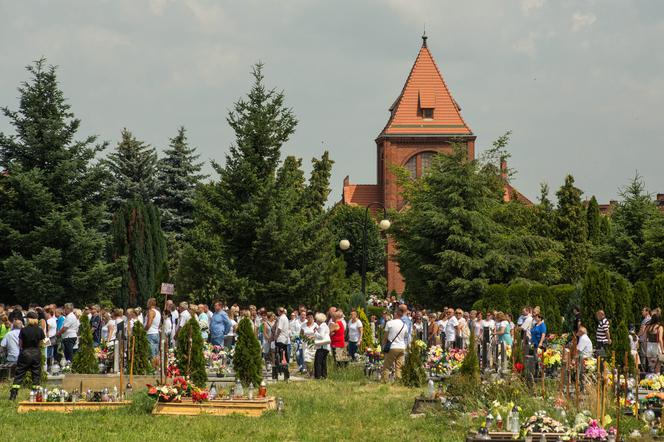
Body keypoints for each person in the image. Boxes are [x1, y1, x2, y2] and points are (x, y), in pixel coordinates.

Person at [9, 312, 45, 400]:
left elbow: (20, 344)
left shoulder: (23, 330)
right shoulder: (40, 330)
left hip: (25, 353)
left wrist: (24, 349)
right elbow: (41, 344)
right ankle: (35, 395)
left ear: (30, 319)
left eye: (27, 318)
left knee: (19, 374)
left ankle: (13, 394)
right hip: (36, 353)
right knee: (36, 374)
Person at [382, 309, 407, 382]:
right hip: (402, 347)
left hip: (392, 347)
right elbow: (405, 336)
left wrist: (383, 346)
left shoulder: (389, 323)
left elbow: (385, 337)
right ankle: (398, 380)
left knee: (387, 366)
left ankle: (384, 380)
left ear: (395, 314)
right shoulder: (404, 325)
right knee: (399, 367)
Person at [273, 307, 290, 380]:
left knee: (278, 356)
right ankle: (285, 372)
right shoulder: (286, 318)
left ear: (279, 312)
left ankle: (279, 371)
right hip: (285, 339)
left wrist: (276, 336)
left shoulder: (281, 318)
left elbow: (279, 329)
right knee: (284, 356)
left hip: (280, 338)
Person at [313, 312, 330, 379]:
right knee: (323, 362)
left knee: (318, 361)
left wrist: (315, 332)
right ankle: (324, 375)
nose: (316, 320)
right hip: (325, 346)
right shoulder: (324, 325)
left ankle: (318, 376)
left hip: (322, 346)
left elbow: (321, 336)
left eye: (316, 319)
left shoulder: (322, 326)